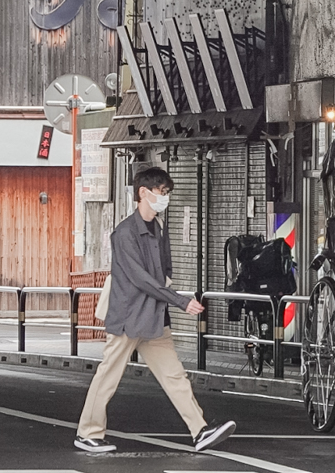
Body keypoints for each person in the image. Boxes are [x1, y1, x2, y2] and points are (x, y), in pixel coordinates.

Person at [74, 166, 236, 455]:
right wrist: (179, 300)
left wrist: (168, 295)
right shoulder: (124, 233)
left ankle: (199, 430)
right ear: (143, 193)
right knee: (108, 376)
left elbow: (164, 271)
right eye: (161, 192)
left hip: (153, 315)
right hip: (128, 316)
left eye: (166, 192)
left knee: (174, 375)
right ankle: (87, 433)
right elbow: (141, 278)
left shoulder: (158, 227)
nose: (165, 197)